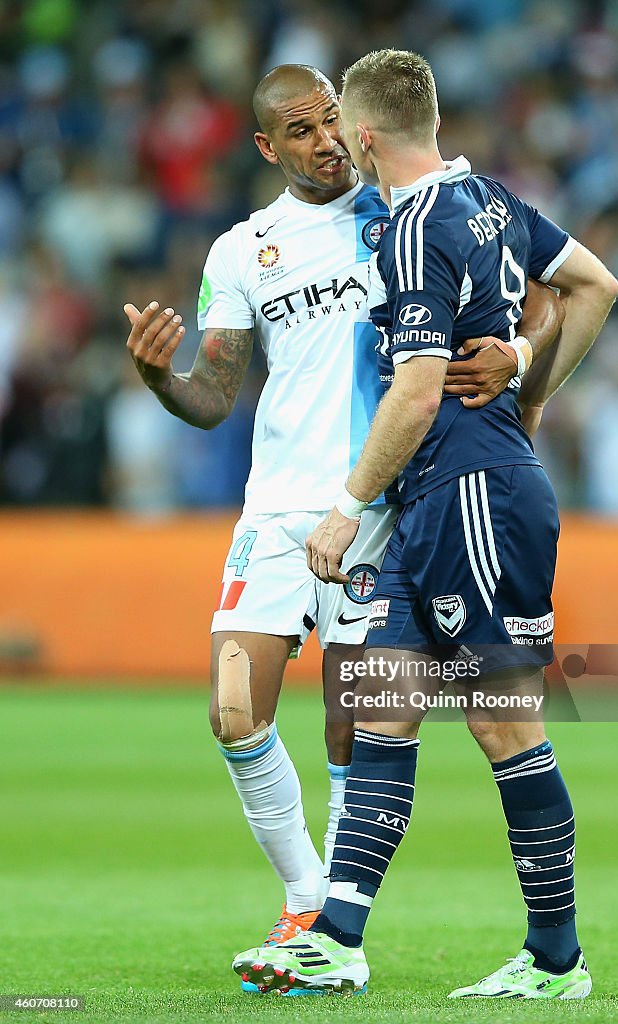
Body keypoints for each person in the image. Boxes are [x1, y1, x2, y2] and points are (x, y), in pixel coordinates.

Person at [122, 63, 562, 994]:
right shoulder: (242, 252)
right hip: (279, 513)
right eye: (299, 128)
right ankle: (308, 902)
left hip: (379, 508)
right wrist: (162, 376)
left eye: (331, 119)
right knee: (233, 707)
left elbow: (529, 298)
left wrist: (517, 361)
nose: (324, 138)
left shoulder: (402, 213)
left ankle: (329, 934)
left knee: (356, 726)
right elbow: (213, 396)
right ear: (266, 147)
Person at [233, 49, 618, 999]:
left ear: (361, 137)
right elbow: (596, 285)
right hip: (440, 500)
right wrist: (529, 378)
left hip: (470, 496)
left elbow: (411, 394)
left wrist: (346, 506)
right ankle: (335, 938)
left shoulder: (410, 232)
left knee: (505, 728)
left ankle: (555, 959)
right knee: (383, 712)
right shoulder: (489, 198)